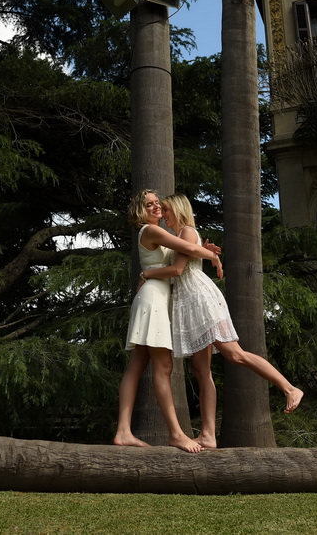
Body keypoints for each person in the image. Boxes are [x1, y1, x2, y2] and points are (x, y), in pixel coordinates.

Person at [141, 193, 303, 449]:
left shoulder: (186, 232)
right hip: (189, 301)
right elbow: (189, 256)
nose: (164, 214)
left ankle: (289, 388)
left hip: (199, 300)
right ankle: (208, 434)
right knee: (201, 370)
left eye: (168, 210)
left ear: (179, 210)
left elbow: (177, 270)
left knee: (235, 354)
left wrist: (146, 273)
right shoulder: (184, 235)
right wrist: (206, 251)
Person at [113, 189, 223, 453]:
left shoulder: (157, 233)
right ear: (140, 211)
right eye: (149, 205)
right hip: (154, 300)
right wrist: (214, 256)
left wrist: (200, 251)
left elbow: (181, 255)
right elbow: (184, 248)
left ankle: (123, 432)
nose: (155, 208)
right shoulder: (150, 231)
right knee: (162, 368)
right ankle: (175, 433)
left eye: (156, 204)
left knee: (137, 365)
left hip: (155, 298)